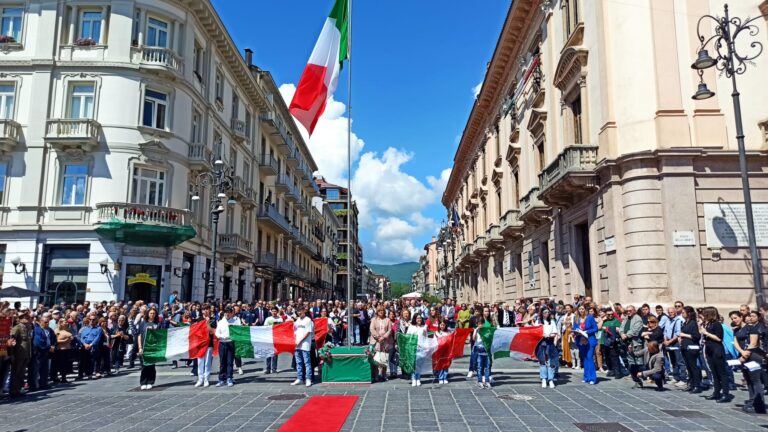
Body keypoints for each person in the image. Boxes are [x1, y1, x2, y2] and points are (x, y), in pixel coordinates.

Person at [732, 310, 765, 413]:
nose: (734, 320)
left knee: (756, 380)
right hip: (744, 356)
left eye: (750, 316)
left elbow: (753, 344)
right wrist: (741, 352)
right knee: (749, 381)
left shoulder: (753, 328)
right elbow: (735, 341)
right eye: (732, 319)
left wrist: (745, 355)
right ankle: (752, 402)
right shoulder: (738, 329)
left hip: (753, 356)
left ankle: (759, 405)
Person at [699, 307, 731, 403]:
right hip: (710, 350)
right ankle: (716, 392)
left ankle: (725, 393)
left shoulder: (717, 325)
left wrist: (706, 333)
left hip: (717, 350)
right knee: (714, 372)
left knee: (722, 373)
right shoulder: (708, 324)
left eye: (705, 314)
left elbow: (719, 338)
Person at [678, 306, 703, 393]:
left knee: (693, 367)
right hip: (684, 347)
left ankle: (697, 385)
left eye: (683, 312)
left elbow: (696, 336)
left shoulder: (693, 323)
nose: (682, 314)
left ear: (688, 313)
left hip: (691, 347)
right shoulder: (685, 323)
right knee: (688, 367)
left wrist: (684, 335)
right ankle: (691, 383)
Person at [619, 305, 644, 387]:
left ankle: (640, 378)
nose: (628, 312)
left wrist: (626, 335)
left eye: (630, 310)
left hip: (635, 343)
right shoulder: (626, 318)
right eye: (627, 311)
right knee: (631, 361)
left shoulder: (638, 319)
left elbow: (635, 330)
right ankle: (636, 379)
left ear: (634, 311)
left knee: (638, 361)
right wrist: (622, 333)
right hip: (627, 343)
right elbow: (621, 327)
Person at [8, 311, 31, 397]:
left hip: (26, 354)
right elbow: (12, 342)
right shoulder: (17, 328)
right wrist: (12, 354)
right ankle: (13, 391)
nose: (27, 319)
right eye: (25, 318)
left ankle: (18, 389)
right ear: (20, 319)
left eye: (27, 317)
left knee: (21, 373)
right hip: (18, 354)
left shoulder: (28, 328)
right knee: (15, 373)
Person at [574, 304, 598, 384]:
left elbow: (595, 328)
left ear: (585, 310)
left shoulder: (590, 318)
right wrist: (576, 331)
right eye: (580, 309)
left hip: (589, 340)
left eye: (582, 309)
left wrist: (586, 332)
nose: (581, 310)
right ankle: (586, 377)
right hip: (580, 340)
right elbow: (574, 327)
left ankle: (592, 378)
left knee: (590, 358)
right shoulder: (576, 318)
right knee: (584, 358)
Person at [136, 308, 159, 390]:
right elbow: (139, 335)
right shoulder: (143, 323)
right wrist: (140, 347)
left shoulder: (157, 324)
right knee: (144, 365)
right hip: (144, 347)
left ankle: (150, 381)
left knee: (152, 366)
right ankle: (143, 382)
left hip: (153, 347)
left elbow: (161, 336)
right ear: (147, 314)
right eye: (151, 313)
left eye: (153, 313)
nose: (152, 315)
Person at [536, 308, 559, 388]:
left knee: (550, 361)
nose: (547, 314)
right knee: (542, 361)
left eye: (548, 312)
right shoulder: (538, 322)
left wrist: (549, 335)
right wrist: (542, 334)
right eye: (545, 312)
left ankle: (551, 379)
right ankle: (543, 379)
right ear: (542, 313)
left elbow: (555, 333)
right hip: (541, 342)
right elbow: (535, 332)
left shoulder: (552, 322)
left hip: (549, 342)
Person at [292, 307, 314, 387]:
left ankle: (308, 378)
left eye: (300, 311)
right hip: (297, 345)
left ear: (304, 311)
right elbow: (295, 331)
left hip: (305, 344)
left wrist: (300, 341)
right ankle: (299, 378)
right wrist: (294, 341)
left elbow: (308, 332)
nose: (299, 312)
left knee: (307, 362)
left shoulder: (308, 320)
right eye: (297, 311)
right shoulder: (297, 320)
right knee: (299, 362)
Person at [32, 314, 55, 390]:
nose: (47, 324)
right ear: (40, 322)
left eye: (48, 322)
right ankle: (35, 385)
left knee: (45, 369)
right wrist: (48, 347)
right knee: (38, 369)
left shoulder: (50, 330)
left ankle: (44, 383)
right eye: (45, 322)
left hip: (47, 352)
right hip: (40, 352)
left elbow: (54, 338)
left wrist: (53, 345)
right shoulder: (37, 330)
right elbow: (38, 342)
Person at [369, 306, 392, 382]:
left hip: (385, 341)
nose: (381, 312)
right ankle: (376, 375)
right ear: (377, 312)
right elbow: (372, 329)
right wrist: (378, 337)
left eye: (382, 310)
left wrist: (384, 337)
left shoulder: (387, 320)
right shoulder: (374, 320)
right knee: (376, 359)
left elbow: (389, 330)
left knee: (384, 358)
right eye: (379, 311)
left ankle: (384, 375)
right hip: (376, 341)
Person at [194, 305, 216, 387]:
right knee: (200, 362)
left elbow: (211, 332)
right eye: (204, 309)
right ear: (202, 311)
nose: (205, 311)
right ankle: (200, 379)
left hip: (209, 344)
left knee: (207, 362)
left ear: (209, 310)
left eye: (207, 309)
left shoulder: (213, 320)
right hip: (200, 344)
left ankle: (206, 379)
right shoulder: (199, 319)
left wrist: (207, 323)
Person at [215, 306, 235, 387]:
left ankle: (229, 377)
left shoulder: (234, 322)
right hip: (222, 343)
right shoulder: (220, 322)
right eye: (226, 312)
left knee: (230, 362)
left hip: (230, 343)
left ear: (231, 313)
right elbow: (217, 333)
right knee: (222, 362)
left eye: (229, 313)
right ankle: (221, 379)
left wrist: (232, 337)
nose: (227, 314)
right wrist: (222, 336)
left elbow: (237, 332)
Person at [77, 315, 102, 380]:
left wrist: (91, 344)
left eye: (93, 319)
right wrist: (84, 344)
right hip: (84, 346)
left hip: (92, 346)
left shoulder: (98, 328)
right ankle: (80, 375)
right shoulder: (85, 328)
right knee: (82, 361)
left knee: (91, 361)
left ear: (96, 320)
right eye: (90, 319)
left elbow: (97, 338)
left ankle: (89, 374)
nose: (91, 321)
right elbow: (81, 337)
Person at [407, 314, 427, 387]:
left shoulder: (424, 327)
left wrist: (426, 346)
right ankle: (413, 379)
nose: (419, 319)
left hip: (422, 348)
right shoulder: (411, 327)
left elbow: (425, 337)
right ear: (415, 319)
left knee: (419, 365)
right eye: (418, 318)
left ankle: (418, 378)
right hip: (413, 347)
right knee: (413, 364)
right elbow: (407, 337)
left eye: (420, 318)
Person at [52, 318, 74, 383]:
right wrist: (64, 341)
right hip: (60, 350)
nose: (66, 323)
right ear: (61, 323)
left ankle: (64, 377)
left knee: (65, 364)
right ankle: (56, 377)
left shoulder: (68, 329)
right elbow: (55, 340)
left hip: (67, 349)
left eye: (66, 322)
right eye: (65, 322)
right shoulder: (57, 330)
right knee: (60, 364)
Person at [473, 316, 491, 389]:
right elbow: (474, 339)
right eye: (479, 324)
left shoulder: (486, 330)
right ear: (477, 324)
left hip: (486, 350)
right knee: (480, 367)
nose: (480, 325)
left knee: (487, 367)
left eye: (482, 324)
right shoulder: (477, 331)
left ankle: (487, 381)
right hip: (479, 350)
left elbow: (489, 338)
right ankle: (480, 381)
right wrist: (476, 330)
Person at [434, 320, 451, 384]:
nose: (442, 326)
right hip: (439, 350)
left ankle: (445, 377)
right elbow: (435, 341)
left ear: (445, 325)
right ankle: (440, 378)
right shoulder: (437, 332)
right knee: (440, 364)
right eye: (441, 325)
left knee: (446, 364)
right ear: (439, 325)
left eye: (443, 325)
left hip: (446, 351)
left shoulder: (448, 332)